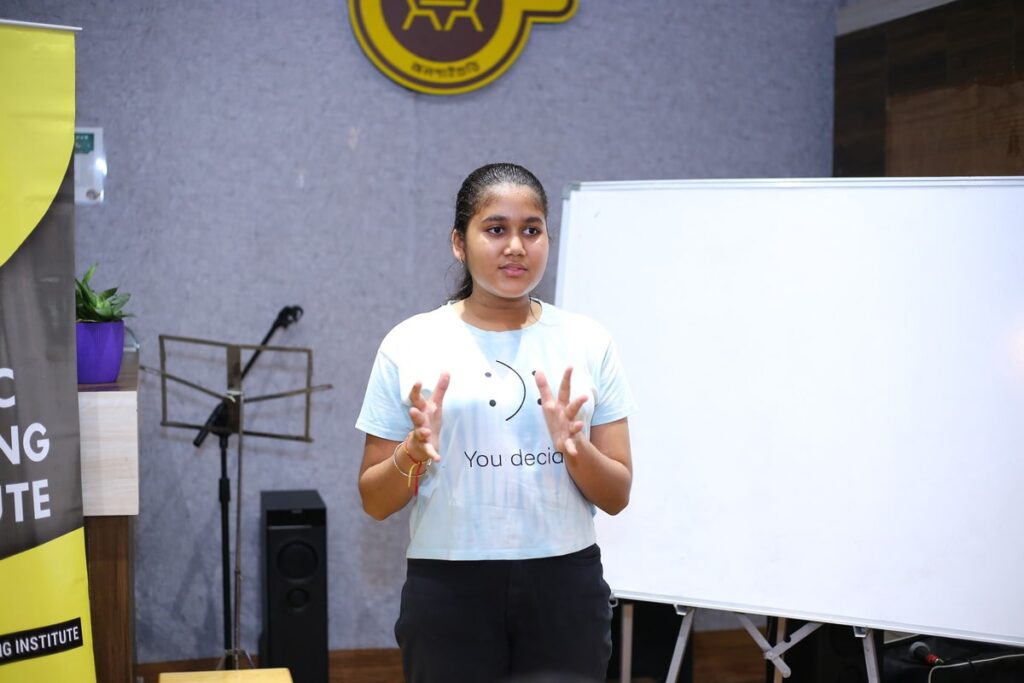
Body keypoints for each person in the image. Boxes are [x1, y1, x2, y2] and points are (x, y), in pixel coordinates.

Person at [356, 162, 636, 682]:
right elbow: (375, 501)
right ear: (458, 243)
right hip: (448, 585)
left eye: (531, 230)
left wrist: (575, 447)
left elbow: (617, 495)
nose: (515, 246)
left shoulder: (588, 341)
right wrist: (411, 454)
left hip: (564, 584)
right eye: (495, 229)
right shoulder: (410, 342)